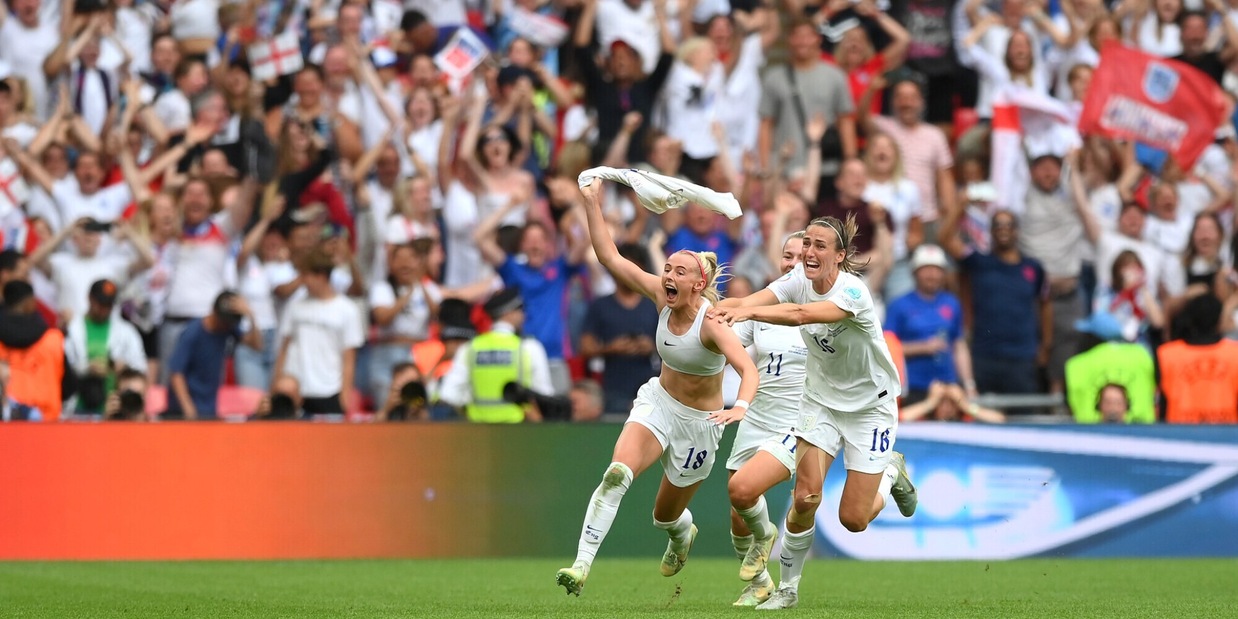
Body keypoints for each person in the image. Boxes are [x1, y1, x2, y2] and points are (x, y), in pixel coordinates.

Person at [555, 178, 758, 597]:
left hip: (701, 424)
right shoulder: (660, 296)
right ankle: (580, 566)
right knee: (617, 474)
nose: (667, 275)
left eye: (679, 271)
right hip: (659, 403)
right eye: (667, 268)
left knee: (665, 516)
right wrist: (592, 201)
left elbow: (746, 368)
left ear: (698, 285)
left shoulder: (713, 324)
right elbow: (609, 257)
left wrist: (740, 405)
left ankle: (681, 535)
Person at [710, 214, 917, 610]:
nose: (809, 251)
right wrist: (717, 309)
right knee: (805, 497)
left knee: (854, 520)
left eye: (820, 245)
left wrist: (747, 312)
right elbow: (754, 301)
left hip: (869, 409)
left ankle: (891, 472)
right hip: (819, 402)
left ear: (839, 256)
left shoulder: (853, 292)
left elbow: (800, 315)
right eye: (807, 243)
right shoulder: (796, 281)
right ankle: (788, 590)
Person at [722, 231, 810, 607]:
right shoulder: (765, 305)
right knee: (738, 513)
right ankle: (759, 582)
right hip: (757, 416)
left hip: (799, 422)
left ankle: (771, 547)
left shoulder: (827, 308)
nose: (791, 263)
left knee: (744, 488)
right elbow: (728, 342)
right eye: (787, 255)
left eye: (801, 257)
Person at [438, 288, 553, 423]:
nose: (523, 315)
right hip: (519, 430)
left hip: (480, 430)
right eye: (520, 309)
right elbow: (544, 396)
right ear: (510, 313)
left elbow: (448, 394)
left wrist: (468, 409)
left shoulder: (470, 348)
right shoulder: (529, 347)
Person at [273, 248, 365, 417]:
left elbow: (349, 357)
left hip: (330, 389)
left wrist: (345, 394)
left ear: (321, 276)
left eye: (305, 275)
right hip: (296, 390)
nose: (302, 281)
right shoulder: (295, 306)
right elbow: (284, 348)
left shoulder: (347, 310)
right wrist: (276, 384)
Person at [883, 244, 975, 402]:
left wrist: (969, 385)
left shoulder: (952, 303)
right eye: (926, 269)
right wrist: (923, 347)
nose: (932, 275)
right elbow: (885, 349)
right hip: (912, 386)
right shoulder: (899, 305)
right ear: (914, 272)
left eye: (937, 269)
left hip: (948, 386)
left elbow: (959, 346)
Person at [580, 243, 660, 415]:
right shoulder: (600, 306)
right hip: (613, 389)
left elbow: (674, 344)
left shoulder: (655, 306)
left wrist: (651, 347)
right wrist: (610, 348)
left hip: (650, 388)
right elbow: (585, 347)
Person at [166, 291, 263, 420]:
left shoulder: (228, 328)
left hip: (209, 407)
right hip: (185, 408)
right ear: (214, 311)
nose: (225, 326)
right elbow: (176, 372)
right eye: (223, 322)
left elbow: (257, 345)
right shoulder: (193, 332)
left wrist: (251, 315)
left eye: (229, 323)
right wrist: (188, 409)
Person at [64, 279, 148, 415]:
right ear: (90, 299)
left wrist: (122, 367)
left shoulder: (126, 331)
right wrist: (86, 368)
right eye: (101, 303)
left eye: (109, 305)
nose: (105, 309)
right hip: (78, 404)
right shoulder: (73, 328)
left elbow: (141, 368)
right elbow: (62, 365)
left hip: (116, 407)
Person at [1157, 294, 1238, 424]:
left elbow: (1161, 404)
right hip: (1227, 435)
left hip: (1177, 435)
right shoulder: (1235, 354)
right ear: (1219, 320)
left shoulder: (1168, 354)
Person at [0, 280, 71, 421]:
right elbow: (69, 386)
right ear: (29, 303)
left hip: (6, 427)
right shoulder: (52, 339)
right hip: (46, 425)